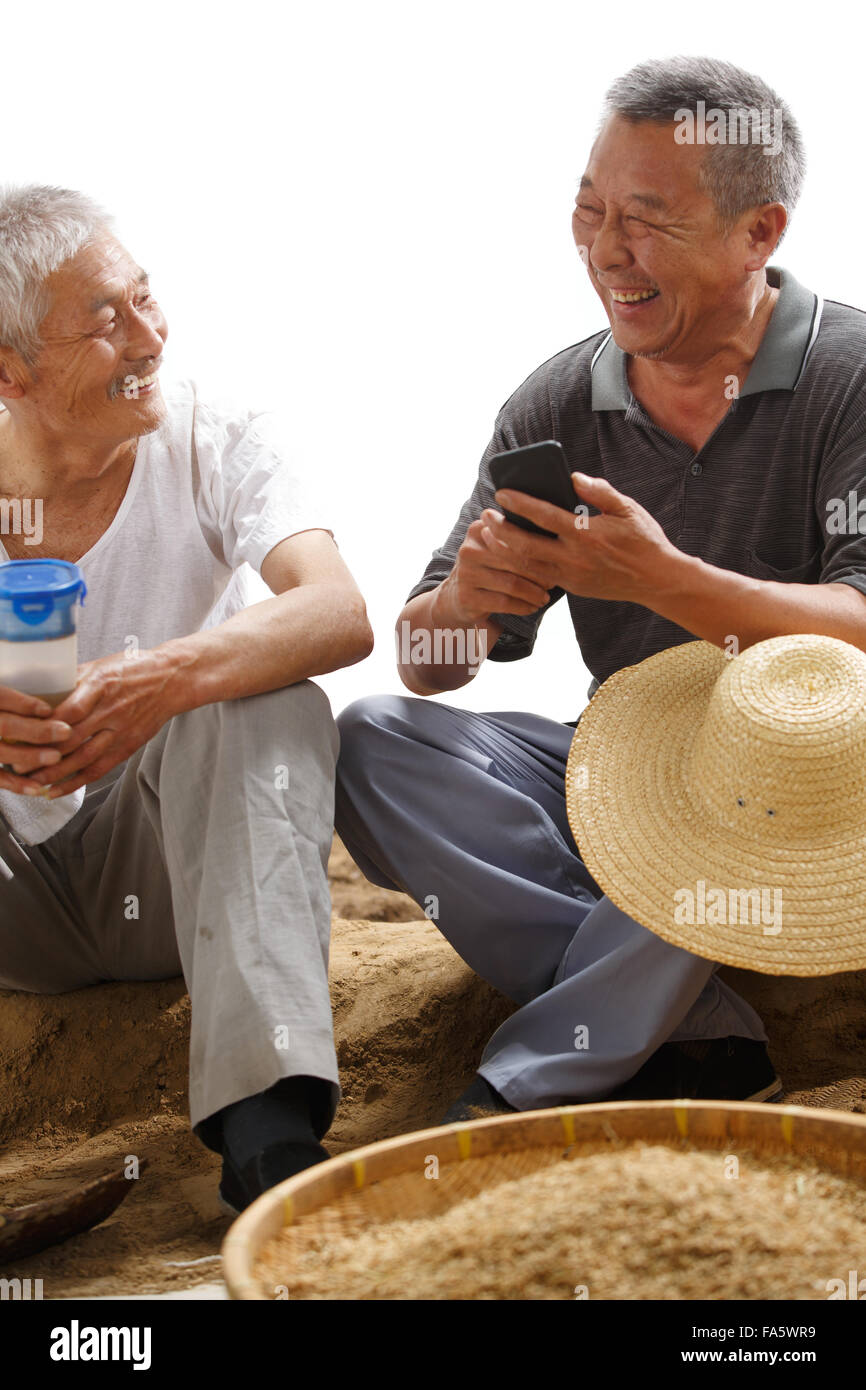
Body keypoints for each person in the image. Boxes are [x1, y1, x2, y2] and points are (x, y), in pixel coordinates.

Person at [335, 55, 866, 1121]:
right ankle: (697, 1032)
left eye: (646, 221)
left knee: (732, 770)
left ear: (758, 232)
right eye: (587, 213)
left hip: (814, 782)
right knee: (373, 740)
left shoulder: (847, 377)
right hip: (630, 763)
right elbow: (426, 672)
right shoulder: (556, 398)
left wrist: (662, 579)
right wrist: (468, 604)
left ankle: (534, 1074)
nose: (603, 252)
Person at [0, 185, 373, 1211]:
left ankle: (268, 1143)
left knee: (265, 695)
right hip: (14, 901)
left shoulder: (217, 437)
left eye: (144, 298)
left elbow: (338, 611)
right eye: (104, 320)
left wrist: (159, 680)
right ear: (9, 369)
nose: (148, 336)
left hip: (163, 873)